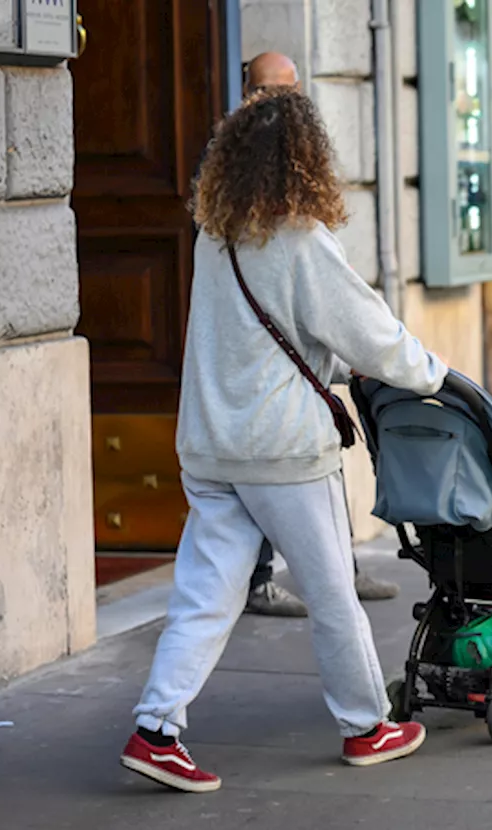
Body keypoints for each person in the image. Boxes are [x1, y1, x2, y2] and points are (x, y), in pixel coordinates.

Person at [119, 88, 448, 793]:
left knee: (205, 594)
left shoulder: (215, 237)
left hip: (210, 447)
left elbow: (251, 343)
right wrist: (434, 376)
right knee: (333, 592)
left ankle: (156, 729)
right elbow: (369, 332)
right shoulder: (301, 240)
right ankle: (366, 726)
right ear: (306, 159)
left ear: (232, 160)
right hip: (283, 455)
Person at [235, 52, 401, 617]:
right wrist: (420, 369)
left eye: (283, 92)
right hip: (256, 374)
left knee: (204, 588)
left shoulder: (302, 161)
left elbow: (324, 283)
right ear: (245, 92)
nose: (273, 104)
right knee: (270, 476)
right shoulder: (230, 169)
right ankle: (271, 581)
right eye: (263, 91)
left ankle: (341, 572)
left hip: (294, 364)